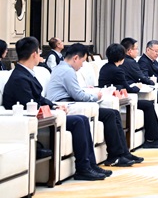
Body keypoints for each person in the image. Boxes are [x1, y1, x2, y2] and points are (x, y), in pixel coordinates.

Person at [2, 37, 112, 181]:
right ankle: (83, 169)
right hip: (30, 120)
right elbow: (30, 103)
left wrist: (54, 106)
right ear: (34, 54)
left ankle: (90, 165)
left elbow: (40, 98)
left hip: (41, 115)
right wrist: (53, 110)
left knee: (82, 120)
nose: (40, 55)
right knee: (79, 121)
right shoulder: (19, 78)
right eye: (39, 52)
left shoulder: (27, 73)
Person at [46, 43, 140, 167]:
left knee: (113, 113)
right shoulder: (67, 71)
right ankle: (115, 156)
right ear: (75, 58)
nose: (82, 65)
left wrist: (87, 91)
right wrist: (96, 97)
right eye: (82, 61)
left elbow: (74, 90)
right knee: (110, 115)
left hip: (70, 102)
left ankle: (123, 153)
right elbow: (78, 95)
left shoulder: (62, 68)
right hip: (65, 104)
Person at [99, 43, 158, 146]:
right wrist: (138, 87)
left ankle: (157, 137)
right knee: (148, 105)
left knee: (153, 102)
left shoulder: (105, 67)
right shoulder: (119, 70)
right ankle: (153, 139)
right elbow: (129, 88)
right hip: (120, 100)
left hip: (115, 98)